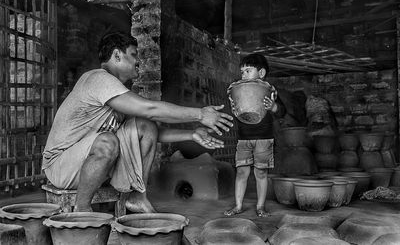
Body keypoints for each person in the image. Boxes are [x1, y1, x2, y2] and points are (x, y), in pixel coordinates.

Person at [42, 32, 233, 213]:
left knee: (145, 125)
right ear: (117, 55)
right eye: (133, 55)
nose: (138, 61)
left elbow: (149, 130)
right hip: (61, 166)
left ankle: (138, 197)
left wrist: (191, 135)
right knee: (108, 140)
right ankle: (82, 211)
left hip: (89, 161)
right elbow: (150, 109)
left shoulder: (116, 94)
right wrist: (200, 114)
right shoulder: (98, 79)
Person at [224, 53, 285, 217]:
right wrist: (235, 109)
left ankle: (260, 207)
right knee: (242, 172)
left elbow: (282, 112)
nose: (243, 74)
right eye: (242, 71)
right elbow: (236, 111)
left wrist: (273, 107)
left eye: (248, 71)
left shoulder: (270, 92)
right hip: (243, 139)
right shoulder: (239, 90)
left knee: (261, 173)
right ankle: (238, 206)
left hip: (264, 139)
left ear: (261, 73)